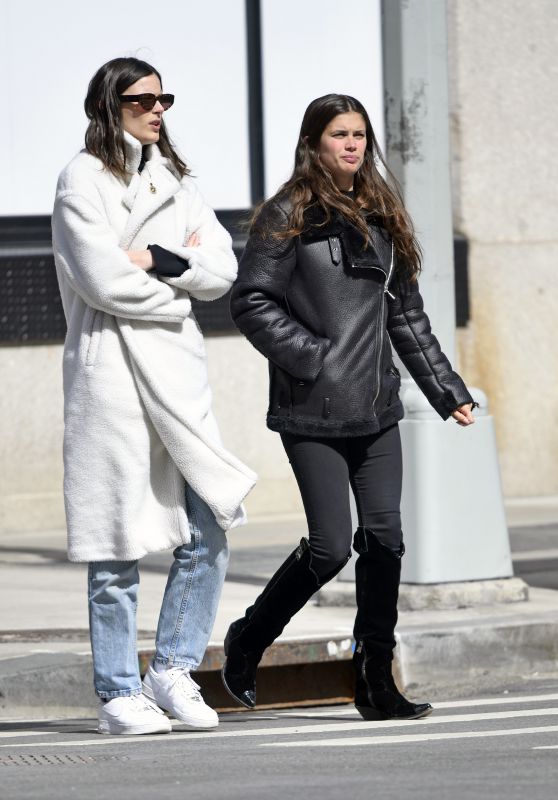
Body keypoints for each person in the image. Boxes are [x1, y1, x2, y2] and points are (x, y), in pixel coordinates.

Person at [223, 93, 476, 720]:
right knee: (332, 545)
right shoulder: (287, 214)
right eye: (340, 133)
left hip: (377, 407)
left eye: (360, 134)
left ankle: (374, 679)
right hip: (311, 407)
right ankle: (248, 638)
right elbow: (251, 300)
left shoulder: (381, 213)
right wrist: (315, 358)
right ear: (315, 141)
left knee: (385, 538)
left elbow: (405, 314)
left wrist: (446, 391)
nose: (353, 144)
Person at [52, 57, 256, 735]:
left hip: (177, 378)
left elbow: (222, 269)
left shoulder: (175, 178)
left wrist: (163, 259)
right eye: (142, 99)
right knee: (117, 541)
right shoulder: (81, 179)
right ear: (109, 106)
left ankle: (170, 670)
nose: (157, 108)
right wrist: (176, 293)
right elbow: (103, 280)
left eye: (164, 97)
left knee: (208, 525)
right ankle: (115, 693)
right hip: (110, 376)